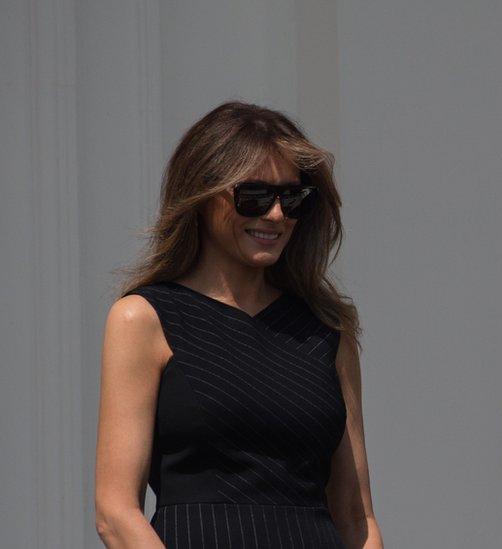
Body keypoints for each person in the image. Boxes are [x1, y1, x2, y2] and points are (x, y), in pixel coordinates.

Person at [94, 102, 383, 548]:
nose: (275, 215)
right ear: (203, 194)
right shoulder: (144, 318)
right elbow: (115, 512)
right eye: (254, 196)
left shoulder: (327, 329)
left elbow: (355, 514)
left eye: (292, 198)